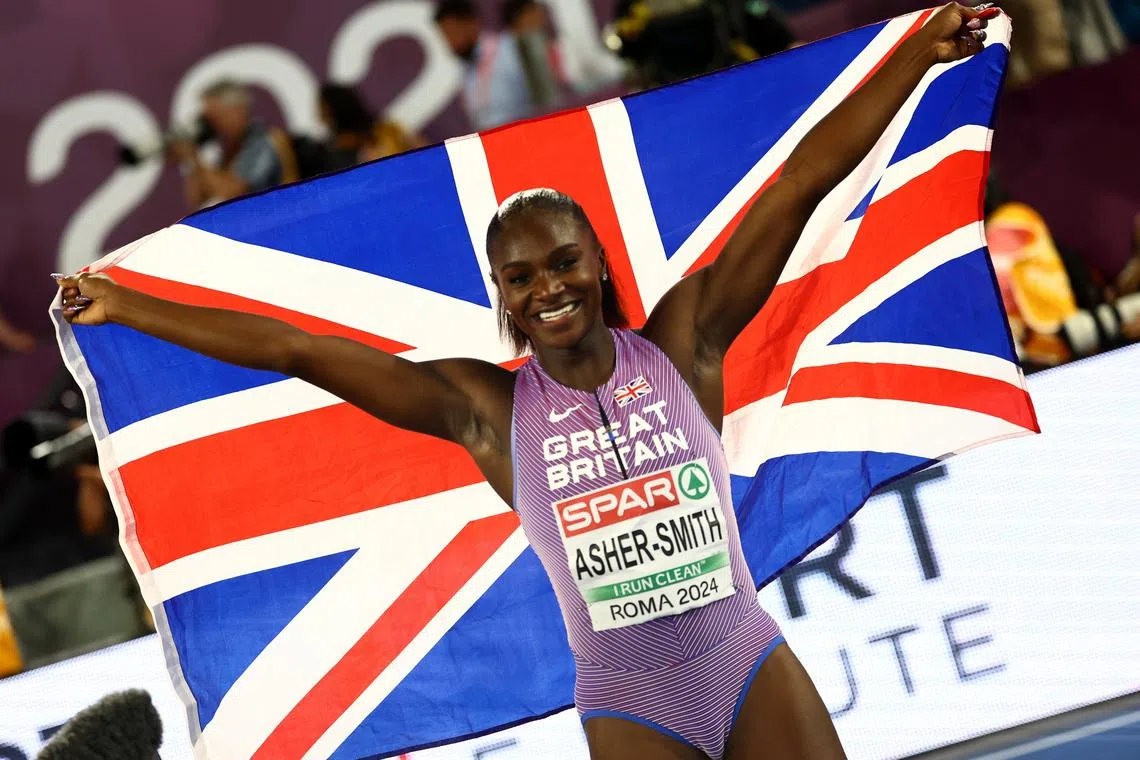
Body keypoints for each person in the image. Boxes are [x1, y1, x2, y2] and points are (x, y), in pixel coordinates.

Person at [59, 5, 992, 757]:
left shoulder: (684, 343)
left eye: (563, 262)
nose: (548, 287)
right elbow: (298, 350)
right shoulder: (485, 410)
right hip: (632, 704)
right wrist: (128, 306)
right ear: (501, 295)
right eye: (522, 276)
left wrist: (912, 59)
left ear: (596, 262)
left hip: (743, 659)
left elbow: (797, 187)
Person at [434, 0, 574, 129]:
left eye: (452, 33)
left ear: (471, 22)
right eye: (445, 36)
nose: (449, 43)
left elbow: (549, 103)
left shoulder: (511, 48)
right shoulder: (465, 71)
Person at [168, 80, 291, 209]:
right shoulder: (229, 148)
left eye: (215, 117)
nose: (211, 125)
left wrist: (195, 158)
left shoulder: (263, 142)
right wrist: (191, 160)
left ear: (237, 112)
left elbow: (232, 193)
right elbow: (198, 199)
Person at [317, 84, 426, 172]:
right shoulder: (331, 152)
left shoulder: (389, 131)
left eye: (324, 111)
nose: (319, 116)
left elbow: (428, 153)